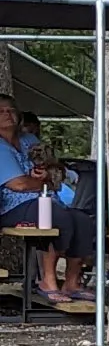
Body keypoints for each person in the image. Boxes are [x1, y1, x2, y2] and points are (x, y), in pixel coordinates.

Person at [0, 95, 91, 305]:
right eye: (1, 111)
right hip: (12, 205)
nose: (7, 114)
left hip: (45, 198)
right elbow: (18, 185)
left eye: (11, 110)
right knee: (55, 216)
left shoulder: (29, 141)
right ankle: (47, 281)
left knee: (82, 219)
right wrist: (49, 183)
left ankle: (72, 282)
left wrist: (51, 175)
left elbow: (57, 168)